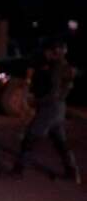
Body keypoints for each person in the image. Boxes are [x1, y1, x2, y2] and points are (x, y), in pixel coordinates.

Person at [10, 38, 81, 184]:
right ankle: (72, 172)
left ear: (56, 52)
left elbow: (53, 93)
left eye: (49, 51)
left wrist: (35, 102)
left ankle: (18, 170)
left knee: (30, 137)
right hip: (58, 109)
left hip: (50, 109)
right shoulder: (62, 66)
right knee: (60, 141)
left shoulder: (57, 68)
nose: (46, 54)